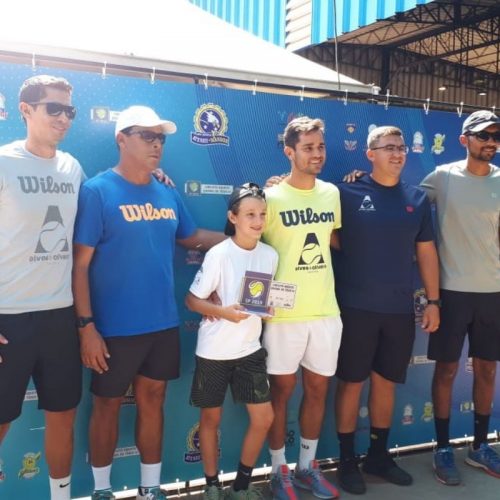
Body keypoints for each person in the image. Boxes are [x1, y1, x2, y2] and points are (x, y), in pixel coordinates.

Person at [72, 105, 225, 500]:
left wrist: (244, 240)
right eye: (147, 136)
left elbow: (191, 238)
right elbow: (80, 265)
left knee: (154, 400)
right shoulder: (97, 191)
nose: (157, 144)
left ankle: (150, 488)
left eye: (161, 138)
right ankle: (102, 491)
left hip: (162, 324)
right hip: (112, 328)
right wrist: (86, 327)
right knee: (106, 405)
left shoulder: (166, 189)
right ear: (121, 139)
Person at [333, 126, 440, 495]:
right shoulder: (345, 192)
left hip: (398, 310)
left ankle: (378, 457)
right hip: (355, 308)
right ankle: (347, 461)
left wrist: (433, 301)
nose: (397, 153)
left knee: (385, 383)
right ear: (370, 154)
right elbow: (325, 230)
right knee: (351, 384)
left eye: (401, 147)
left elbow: (426, 251)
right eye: (388, 147)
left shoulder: (417, 198)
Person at [0, 75, 83, 500]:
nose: (64, 118)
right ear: (26, 110)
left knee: (63, 415)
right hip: (8, 318)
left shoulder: (73, 167)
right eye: (54, 108)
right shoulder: (4, 162)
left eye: (69, 110)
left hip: (59, 315)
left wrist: (152, 174)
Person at [262, 117, 342, 500]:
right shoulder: (270, 197)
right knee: (280, 392)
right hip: (283, 314)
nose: (317, 154)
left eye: (321, 146)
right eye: (308, 148)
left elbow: (332, 240)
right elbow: (254, 250)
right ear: (289, 152)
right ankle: (278, 471)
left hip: (325, 310)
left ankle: (307, 467)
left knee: (317, 389)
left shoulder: (331, 193)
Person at [185, 183, 278, 500]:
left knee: (264, 418)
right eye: (250, 214)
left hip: (250, 350)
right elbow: (192, 301)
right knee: (210, 419)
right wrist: (223, 312)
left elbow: (260, 301)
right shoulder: (219, 254)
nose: (258, 221)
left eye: (262, 214)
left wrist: (268, 309)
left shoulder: (270, 255)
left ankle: (241, 485)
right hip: (213, 352)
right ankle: (212, 485)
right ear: (233, 217)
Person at [423, 110, 500, 485]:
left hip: (493, 293)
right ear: (464, 139)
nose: (491, 142)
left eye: (496, 136)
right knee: (447, 371)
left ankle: (480, 447)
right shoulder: (443, 176)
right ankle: (442, 448)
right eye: (483, 135)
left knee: (487, 370)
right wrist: (363, 183)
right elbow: (403, 205)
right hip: (451, 293)